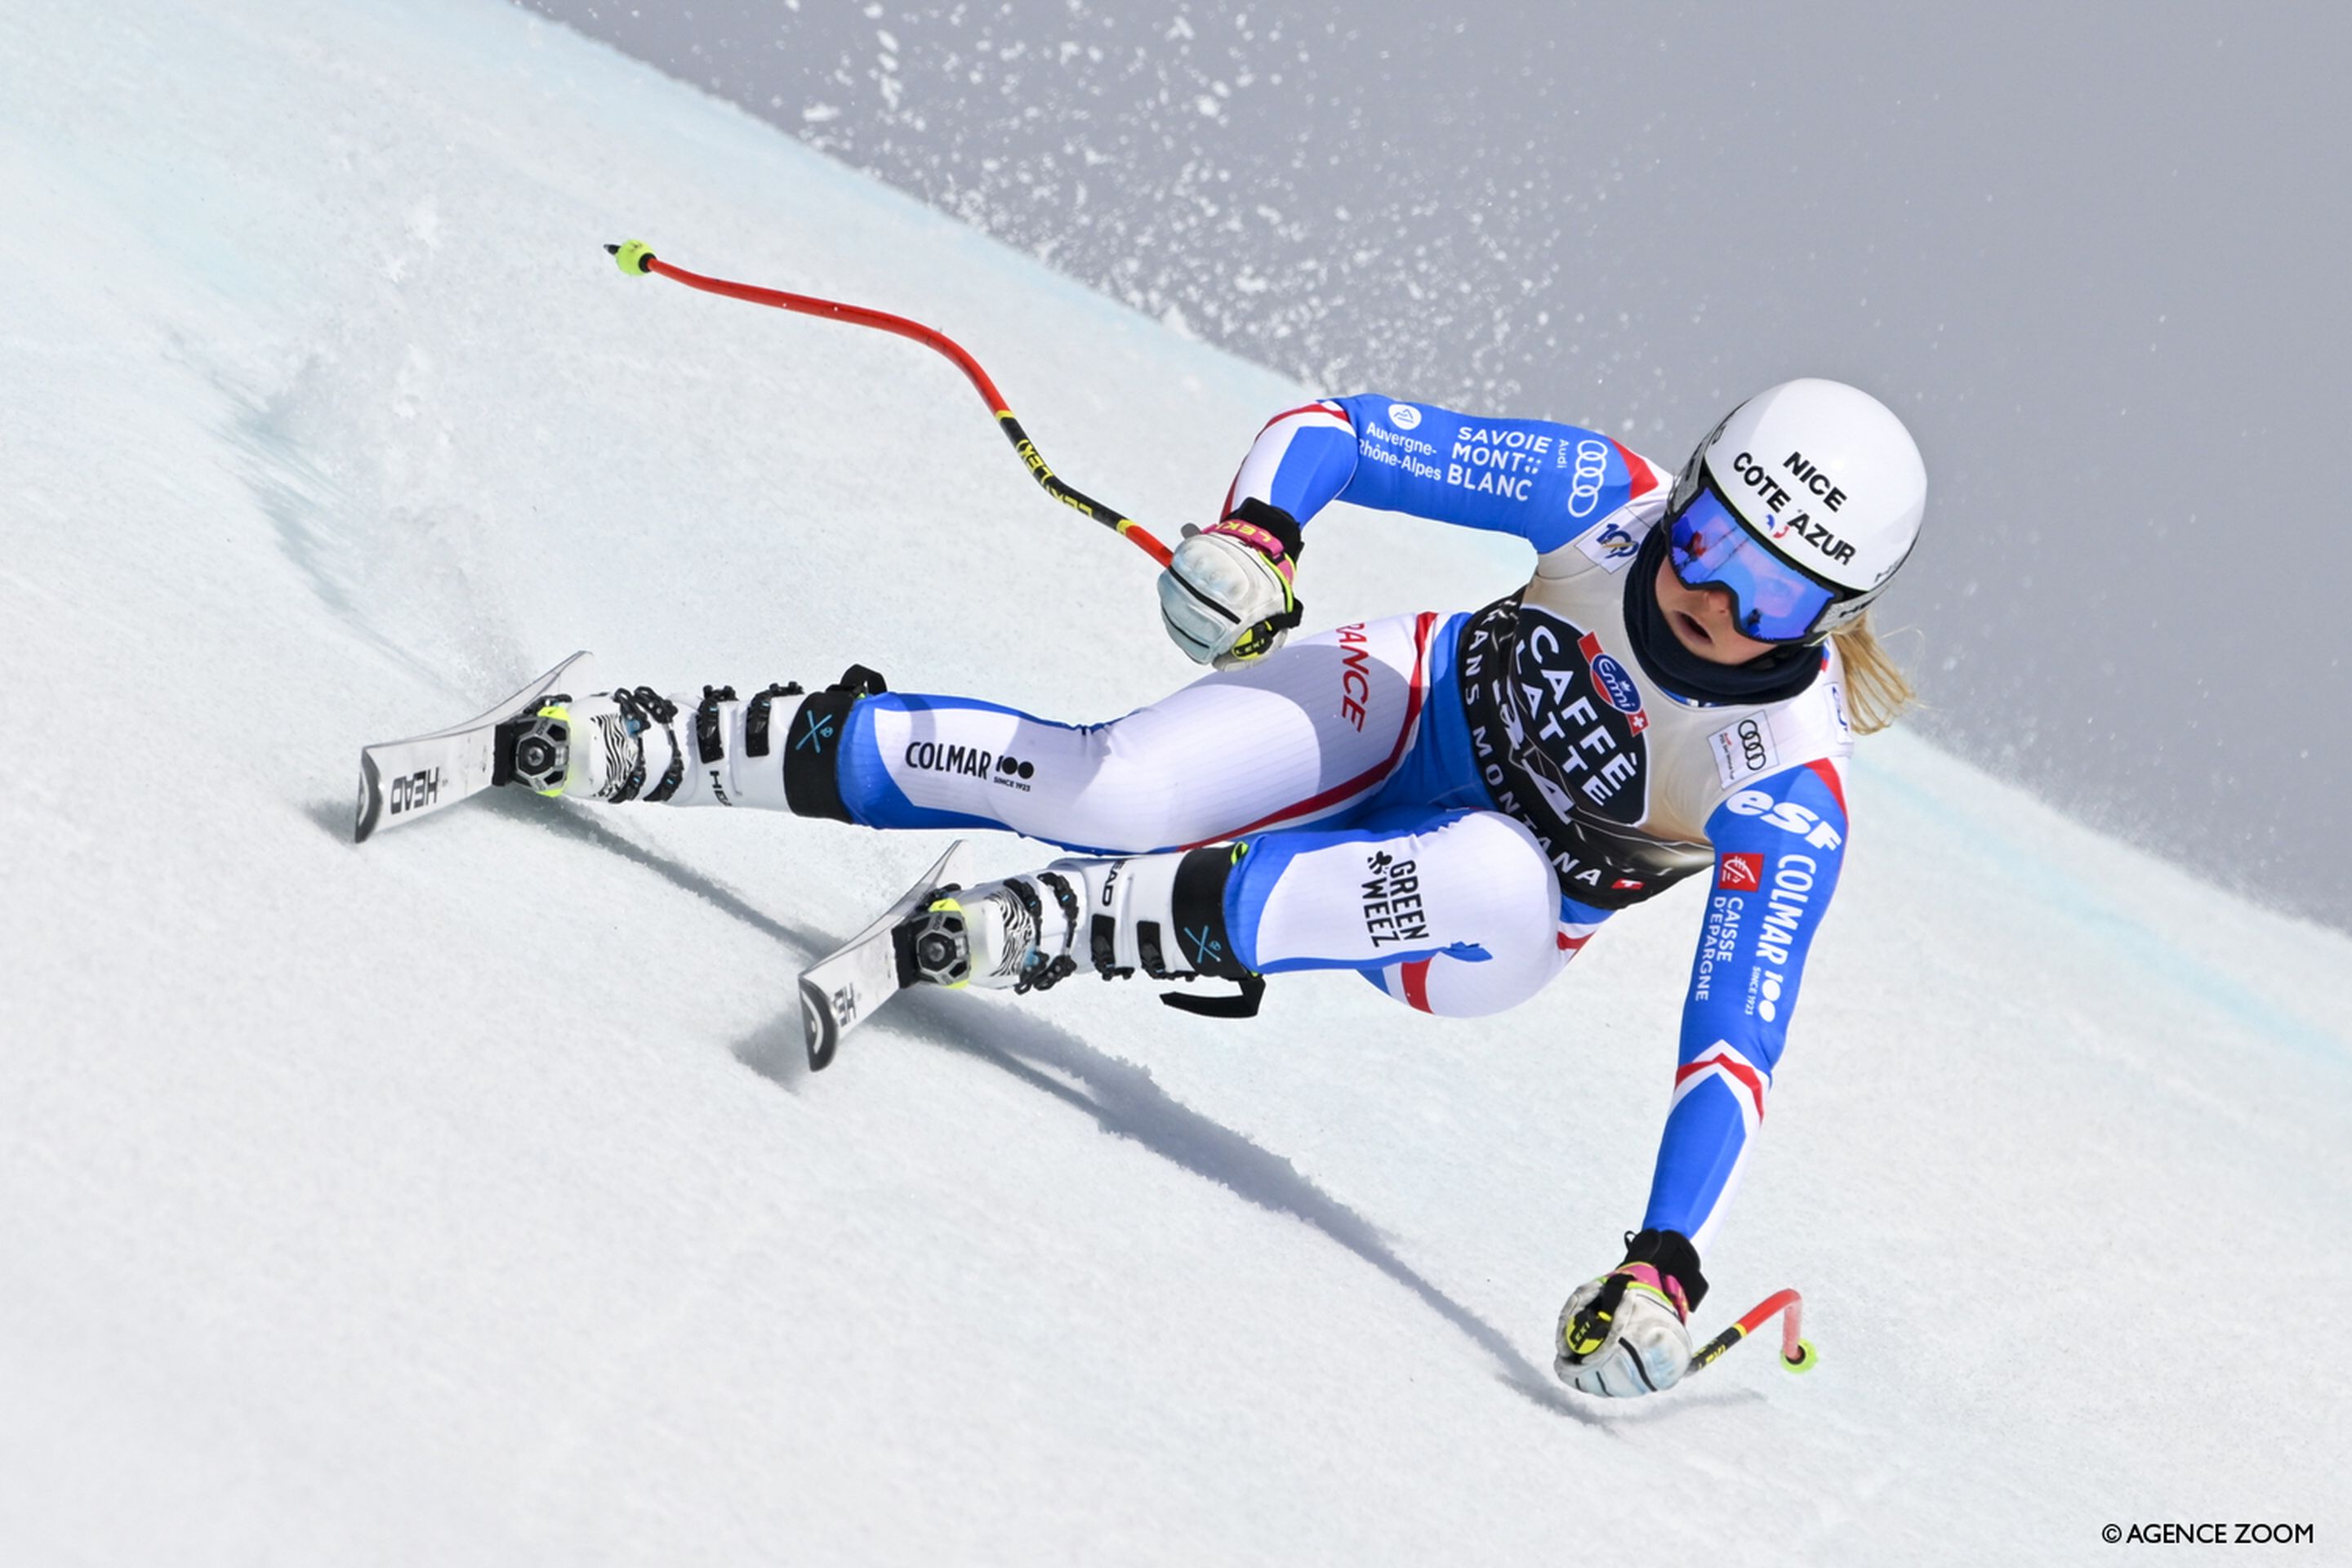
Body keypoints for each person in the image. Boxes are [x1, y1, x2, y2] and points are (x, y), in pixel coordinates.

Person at [499, 377, 1926, 1399]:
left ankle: (1087, 929)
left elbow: (1736, 1042)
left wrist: (1666, 1263)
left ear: (1835, 622)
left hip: (1488, 923)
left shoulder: (1783, 785)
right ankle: (665, 742)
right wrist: (1259, 535)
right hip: (1410, 694)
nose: (1716, 602)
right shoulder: (1602, 502)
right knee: (1105, 790)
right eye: (1713, 545)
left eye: (1777, 598)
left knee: (1491, 863)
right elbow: (1336, 433)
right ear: (1681, 491)